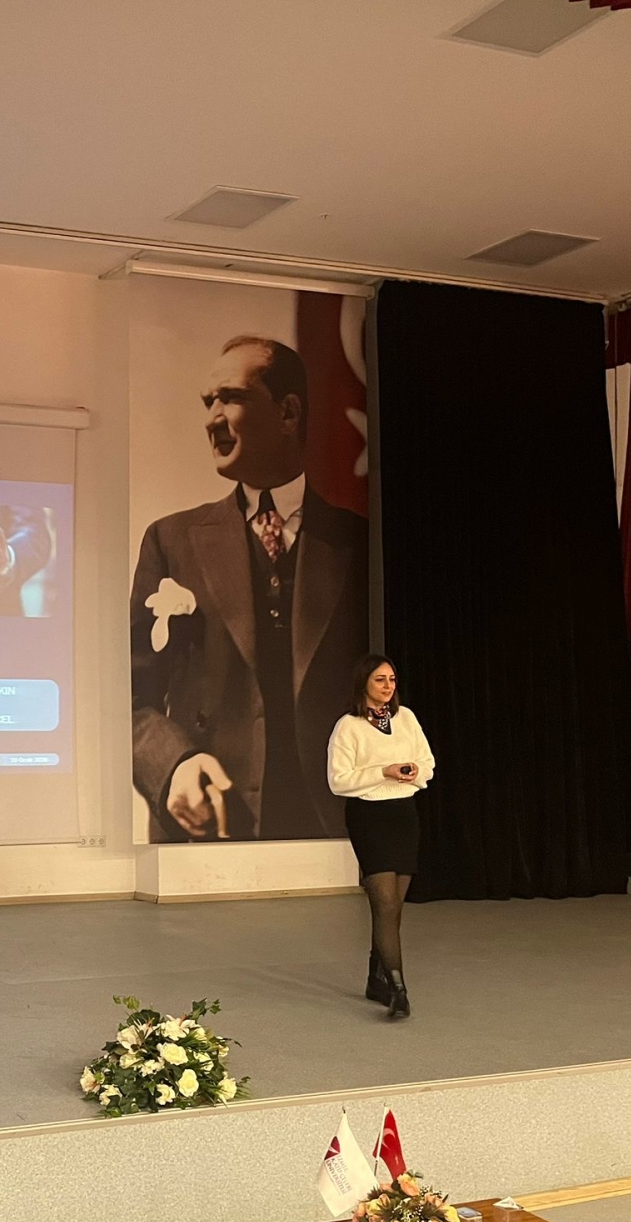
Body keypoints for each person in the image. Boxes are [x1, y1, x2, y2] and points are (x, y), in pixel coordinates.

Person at [130, 335, 368, 842]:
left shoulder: (361, 543)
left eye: (231, 398)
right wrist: (173, 765)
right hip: (210, 824)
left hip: (334, 823)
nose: (212, 418)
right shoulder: (170, 540)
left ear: (288, 412)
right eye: (207, 402)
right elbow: (129, 695)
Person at [326, 654, 435, 1020]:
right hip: (369, 816)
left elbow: (428, 763)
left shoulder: (407, 719)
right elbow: (339, 780)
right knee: (385, 904)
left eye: (392, 679)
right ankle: (398, 990)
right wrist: (383, 771)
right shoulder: (348, 726)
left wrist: (413, 771)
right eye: (380, 680)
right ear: (364, 684)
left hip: (403, 814)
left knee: (395, 906)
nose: (388, 686)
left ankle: (376, 978)